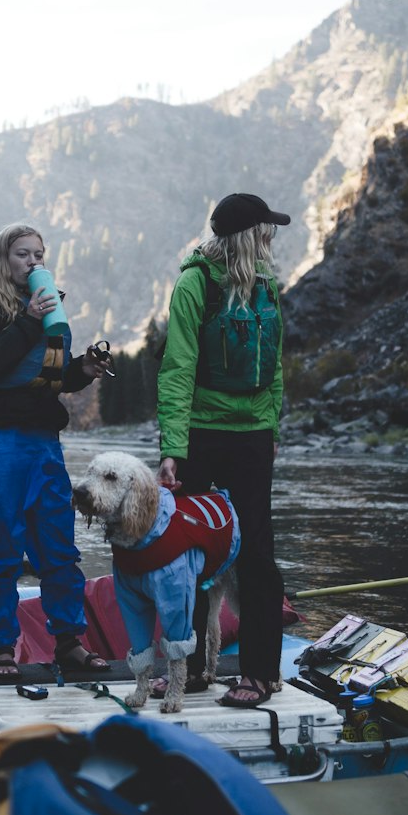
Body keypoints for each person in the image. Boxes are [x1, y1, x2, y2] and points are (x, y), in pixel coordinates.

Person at [0, 223, 114, 679]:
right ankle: (0, 648)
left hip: (43, 443)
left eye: (39, 254)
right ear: (4, 258)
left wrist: (84, 369)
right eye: (23, 254)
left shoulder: (44, 307)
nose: (34, 262)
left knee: (58, 546)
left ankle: (68, 642)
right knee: (0, 545)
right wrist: (28, 319)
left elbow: (50, 379)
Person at [156, 192, 289, 708]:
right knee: (185, 554)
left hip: (252, 434)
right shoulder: (194, 283)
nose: (271, 239)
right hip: (200, 433)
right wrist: (172, 447)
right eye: (265, 230)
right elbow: (177, 367)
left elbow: (275, 364)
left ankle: (259, 673)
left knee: (257, 555)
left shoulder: (267, 286)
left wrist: (271, 426)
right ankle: (186, 668)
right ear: (246, 236)